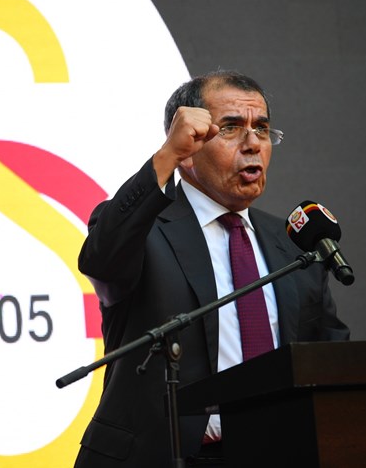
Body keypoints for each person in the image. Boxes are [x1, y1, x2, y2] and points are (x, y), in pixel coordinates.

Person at [74, 70, 350, 467]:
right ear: (188, 146)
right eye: (231, 128)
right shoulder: (145, 231)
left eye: (262, 129)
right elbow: (101, 259)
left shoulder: (292, 243)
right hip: (164, 457)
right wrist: (165, 157)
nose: (253, 144)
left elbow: (328, 355)